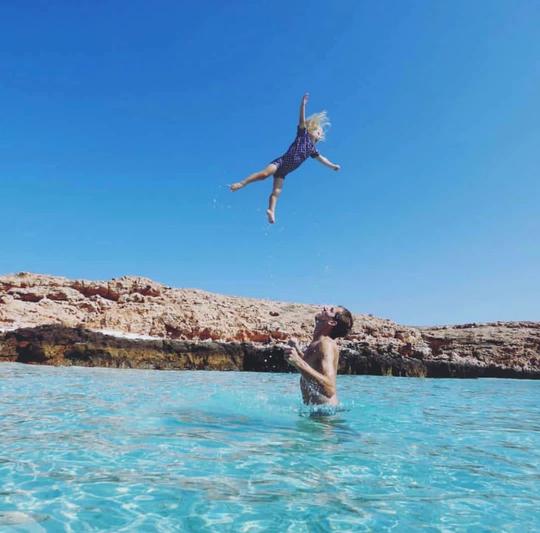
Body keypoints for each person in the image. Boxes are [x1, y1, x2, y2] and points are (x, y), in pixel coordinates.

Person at [230, 93, 341, 224]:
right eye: (317, 130)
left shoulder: (313, 150)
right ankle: (242, 183)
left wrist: (333, 166)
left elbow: (323, 159)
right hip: (280, 163)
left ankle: (271, 211)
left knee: (276, 192)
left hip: (284, 173)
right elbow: (301, 120)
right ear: (310, 129)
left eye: (319, 133)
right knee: (264, 174)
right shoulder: (302, 135)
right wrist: (303, 105)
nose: (318, 132)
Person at [284, 306, 353, 406]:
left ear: (332, 322)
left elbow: (329, 389)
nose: (325, 308)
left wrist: (298, 362)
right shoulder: (318, 342)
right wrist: (298, 352)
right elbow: (315, 368)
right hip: (318, 414)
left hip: (325, 417)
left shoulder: (326, 344)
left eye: (331, 310)